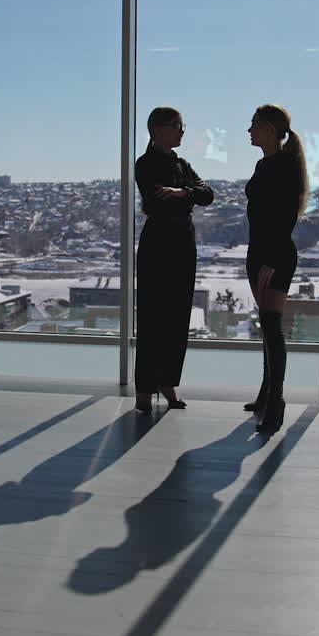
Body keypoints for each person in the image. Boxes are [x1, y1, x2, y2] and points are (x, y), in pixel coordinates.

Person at [134, 107, 214, 414]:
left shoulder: (182, 164)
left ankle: (168, 382)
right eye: (179, 126)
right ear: (159, 129)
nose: (183, 132)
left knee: (179, 314)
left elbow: (208, 194)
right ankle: (145, 388)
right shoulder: (145, 164)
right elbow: (156, 199)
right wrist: (189, 193)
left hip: (183, 240)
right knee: (153, 315)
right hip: (159, 241)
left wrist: (181, 193)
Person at [243, 103, 307, 434]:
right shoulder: (265, 163)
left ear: (269, 129)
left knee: (271, 326)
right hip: (259, 252)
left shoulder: (283, 166)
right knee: (267, 326)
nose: (249, 130)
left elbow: (284, 218)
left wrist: (269, 260)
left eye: (253, 124)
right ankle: (266, 392)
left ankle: (276, 400)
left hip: (275, 254)